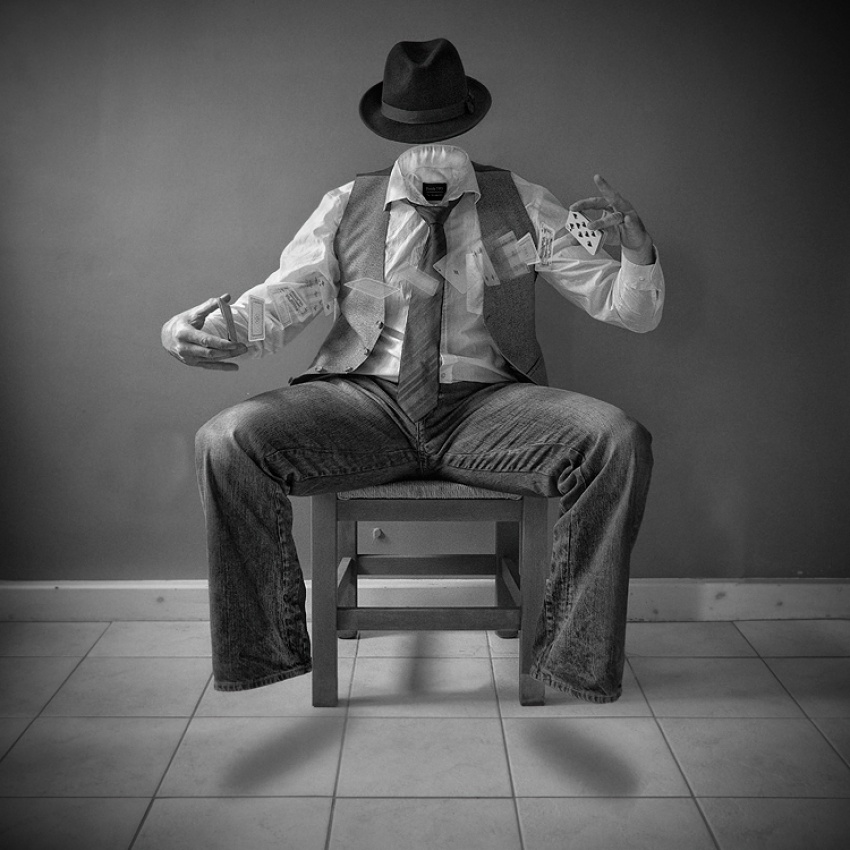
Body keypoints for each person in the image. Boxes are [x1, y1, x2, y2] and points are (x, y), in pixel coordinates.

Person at [161, 38, 664, 703]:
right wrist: (193, 332)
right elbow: (285, 300)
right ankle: (263, 654)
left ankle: (572, 660)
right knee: (224, 440)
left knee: (619, 440)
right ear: (393, 129)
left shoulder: (523, 203)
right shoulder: (347, 204)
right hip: (361, 406)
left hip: (491, 412)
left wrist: (638, 252)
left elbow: (629, 310)